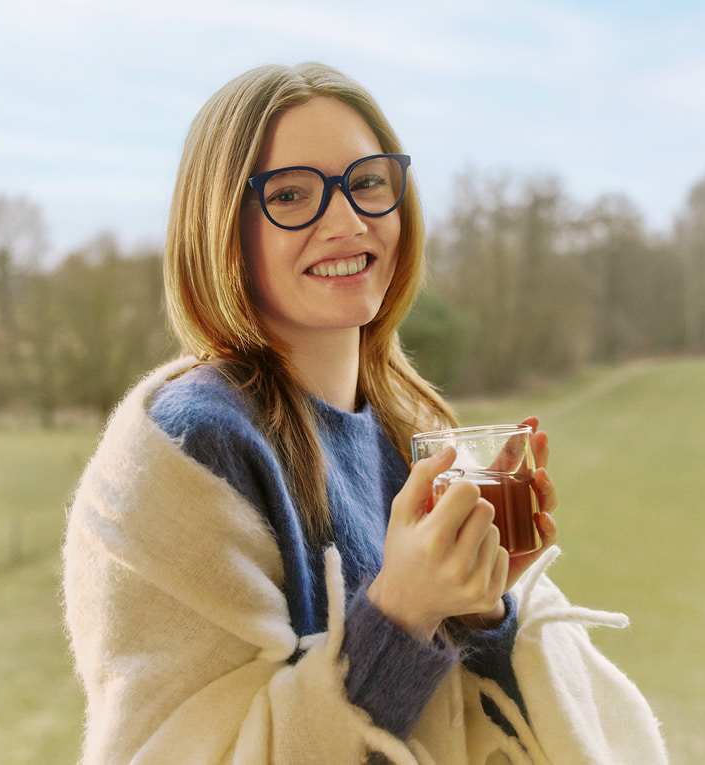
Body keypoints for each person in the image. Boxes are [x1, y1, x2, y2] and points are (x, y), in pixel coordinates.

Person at [62, 62, 667, 764]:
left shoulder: (409, 426)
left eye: (367, 182)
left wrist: (483, 604)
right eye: (291, 194)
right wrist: (404, 609)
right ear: (225, 225)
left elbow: (493, 722)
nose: (347, 222)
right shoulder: (189, 449)